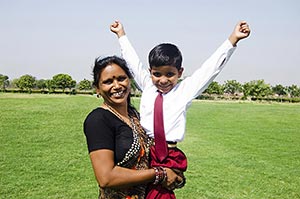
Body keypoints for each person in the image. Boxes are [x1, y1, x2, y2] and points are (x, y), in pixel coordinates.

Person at [110, 20, 251, 198]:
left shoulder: (185, 91)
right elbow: (132, 62)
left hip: (169, 156)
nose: (163, 80)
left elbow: (210, 68)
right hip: (145, 154)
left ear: (180, 72)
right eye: (157, 74)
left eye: (170, 74)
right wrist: (121, 35)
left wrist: (233, 39)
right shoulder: (147, 86)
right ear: (150, 72)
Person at [83, 56, 183, 199]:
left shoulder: (136, 116)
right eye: (108, 82)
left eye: (121, 78)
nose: (117, 85)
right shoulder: (98, 120)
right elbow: (106, 177)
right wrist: (160, 174)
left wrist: (175, 174)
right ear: (98, 89)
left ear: (129, 81)